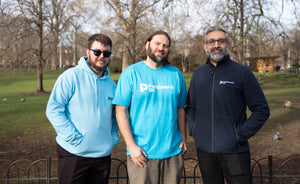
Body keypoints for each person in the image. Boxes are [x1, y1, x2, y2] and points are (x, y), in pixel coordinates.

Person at [186, 26, 270, 184]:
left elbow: (262, 110)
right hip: (205, 151)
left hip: (235, 151)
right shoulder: (198, 74)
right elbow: (191, 107)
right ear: (205, 46)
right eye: (211, 41)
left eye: (221, 41)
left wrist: (239, 135)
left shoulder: (242, 72)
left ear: (228, 45)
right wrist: (194, 129)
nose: (216, 45)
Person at [112, 30, 187, 184]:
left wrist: (183, 138)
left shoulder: (176, 74)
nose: (161, 48)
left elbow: (180, 109)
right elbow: (120, 112)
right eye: (157, 44)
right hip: (142, 153)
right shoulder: (131, 73)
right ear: (147, 45)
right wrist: (131, 146)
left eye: (165, 45)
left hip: (172, 153)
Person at [46, 33, 119, 184]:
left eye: (106, 53)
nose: (101, 56)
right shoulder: (70, 76)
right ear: (88, 52)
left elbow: (115, 116)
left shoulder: (112, 85)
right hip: (74, 153)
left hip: (102, 155)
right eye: (97, 52)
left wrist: (112, 138)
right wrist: (73, 137)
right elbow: (53, 110)